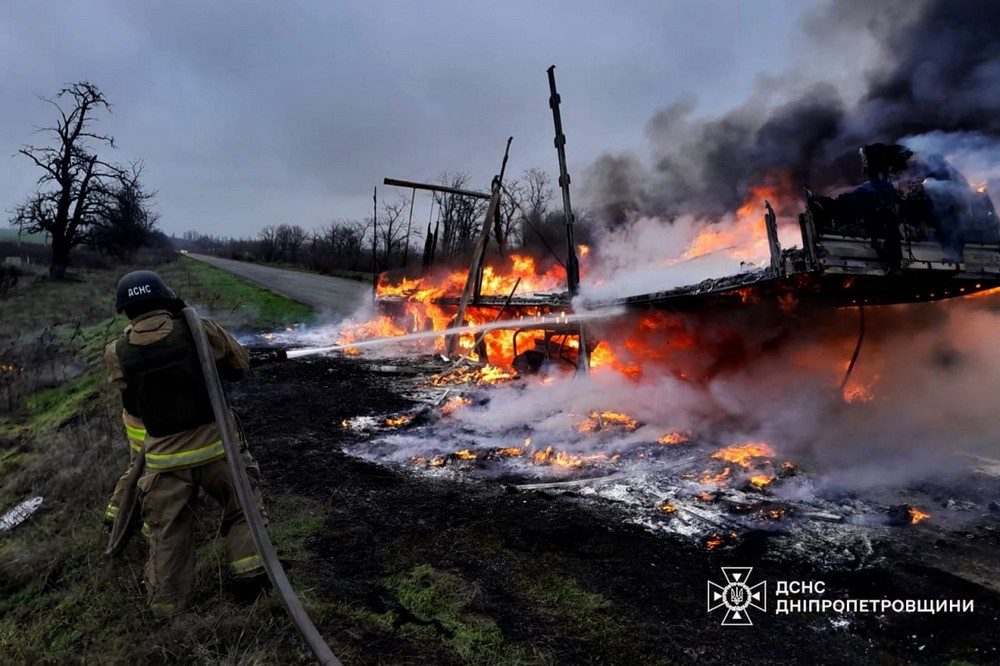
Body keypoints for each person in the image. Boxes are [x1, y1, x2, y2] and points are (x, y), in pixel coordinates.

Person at [104, 269, 266, 617]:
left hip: (164, 463)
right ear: (167, 298)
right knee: (242, 509)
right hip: (218, 450)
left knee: (168, 533)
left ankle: (166, 607)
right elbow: (238, 365)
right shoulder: (199, 329)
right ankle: (251, 574)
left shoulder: (116, 352)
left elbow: (132, 401)